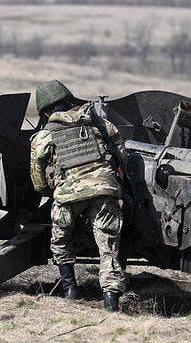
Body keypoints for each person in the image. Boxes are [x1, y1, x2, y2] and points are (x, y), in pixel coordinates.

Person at [29, 80, 126, 311]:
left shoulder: (44, 136)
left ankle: (70, 291)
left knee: (61, 241)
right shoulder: (98, 123)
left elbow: (38, 178)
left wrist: (50, 191)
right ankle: (111, 303)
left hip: (67, 195)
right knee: (108, 247)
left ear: (45, 112)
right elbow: (119, 149)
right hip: (104, 190)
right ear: (69, 101)